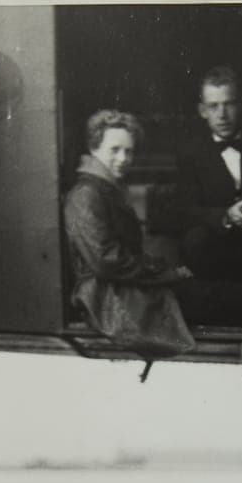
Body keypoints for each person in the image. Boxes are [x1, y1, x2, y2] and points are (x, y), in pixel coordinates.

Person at [64, 109, 195, 358]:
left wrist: (165, 270)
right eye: (114, 150)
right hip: (106, 298)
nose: (123, 158)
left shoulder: (105, 189)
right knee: (208, 298)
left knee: (202, 291)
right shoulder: (86, 195)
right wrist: (164, 274)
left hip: (122, 286)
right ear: (94, 148)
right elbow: (107, 261)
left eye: (129, 151)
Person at [174, 66, 242, 323]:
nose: (222, 115)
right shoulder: (191, 154)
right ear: (202, 111)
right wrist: (225, 216)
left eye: (229, 104)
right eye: (213, 106)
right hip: (215, 252)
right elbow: (185, 210)